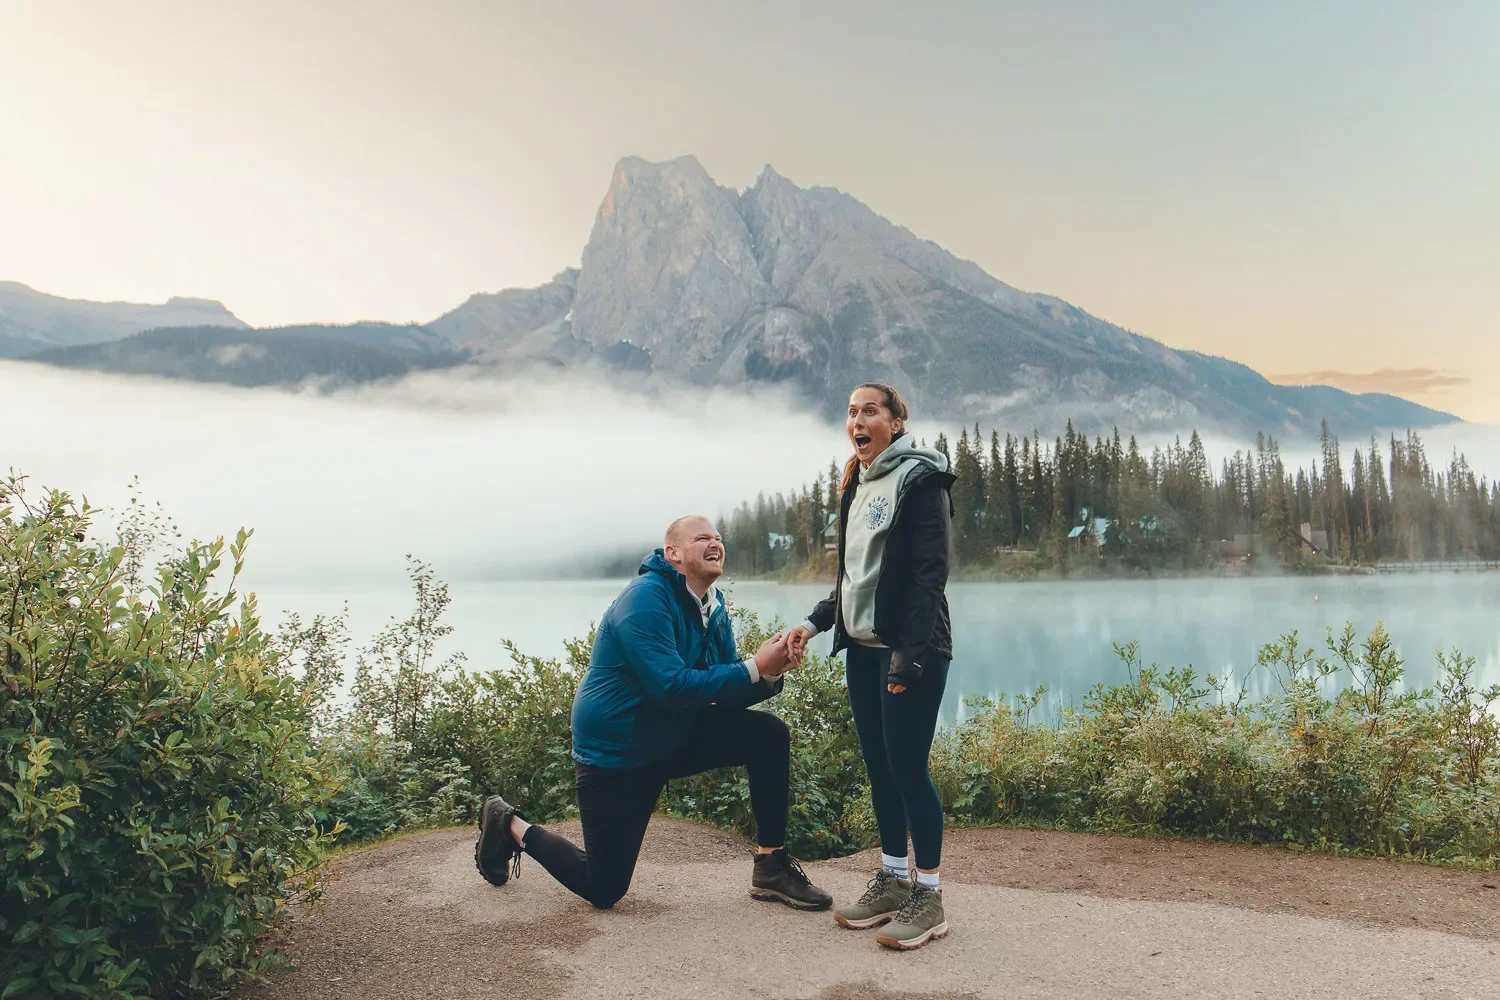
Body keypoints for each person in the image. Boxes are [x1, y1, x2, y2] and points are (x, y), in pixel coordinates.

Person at [474, 514, 833, 912]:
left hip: (671, 732)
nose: (715, 544)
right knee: (604, 888)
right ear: (673, 554)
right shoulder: (645, 599)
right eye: (702, 538)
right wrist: (753, 666)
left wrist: (769, 671)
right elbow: (670, 687)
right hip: (618, 749)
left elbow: (725, 690)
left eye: (718, 537)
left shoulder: (713, 605)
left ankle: (771, 866)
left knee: (767, 736)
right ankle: (507, 822)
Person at [786, 382, 956, 951]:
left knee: (908, 769)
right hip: (860, 650)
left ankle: (928, 898)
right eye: (852, 413)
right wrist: (813, 624)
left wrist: (908, 657)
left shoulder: (921, 479)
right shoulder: (856, 482)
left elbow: (931, 574)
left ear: (896, 420)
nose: (859, 421)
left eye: (871, 411)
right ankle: (892, 880)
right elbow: (855, 578)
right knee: (880, 770)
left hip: (909, 649)